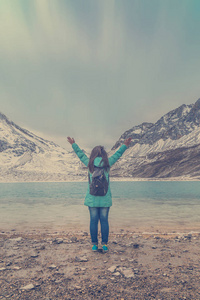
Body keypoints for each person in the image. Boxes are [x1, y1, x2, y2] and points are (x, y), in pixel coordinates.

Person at [67, 136, 132, 252]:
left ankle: (94, 245)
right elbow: (118, 154)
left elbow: (80, 154)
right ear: (104, 155)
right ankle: (105, 244)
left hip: (92, 198)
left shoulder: (90, 164)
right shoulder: (107, 163)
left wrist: (73, 144)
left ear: (93, 154)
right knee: (104, 220)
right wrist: (125, 145)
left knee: (93, 221)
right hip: (105, 198)